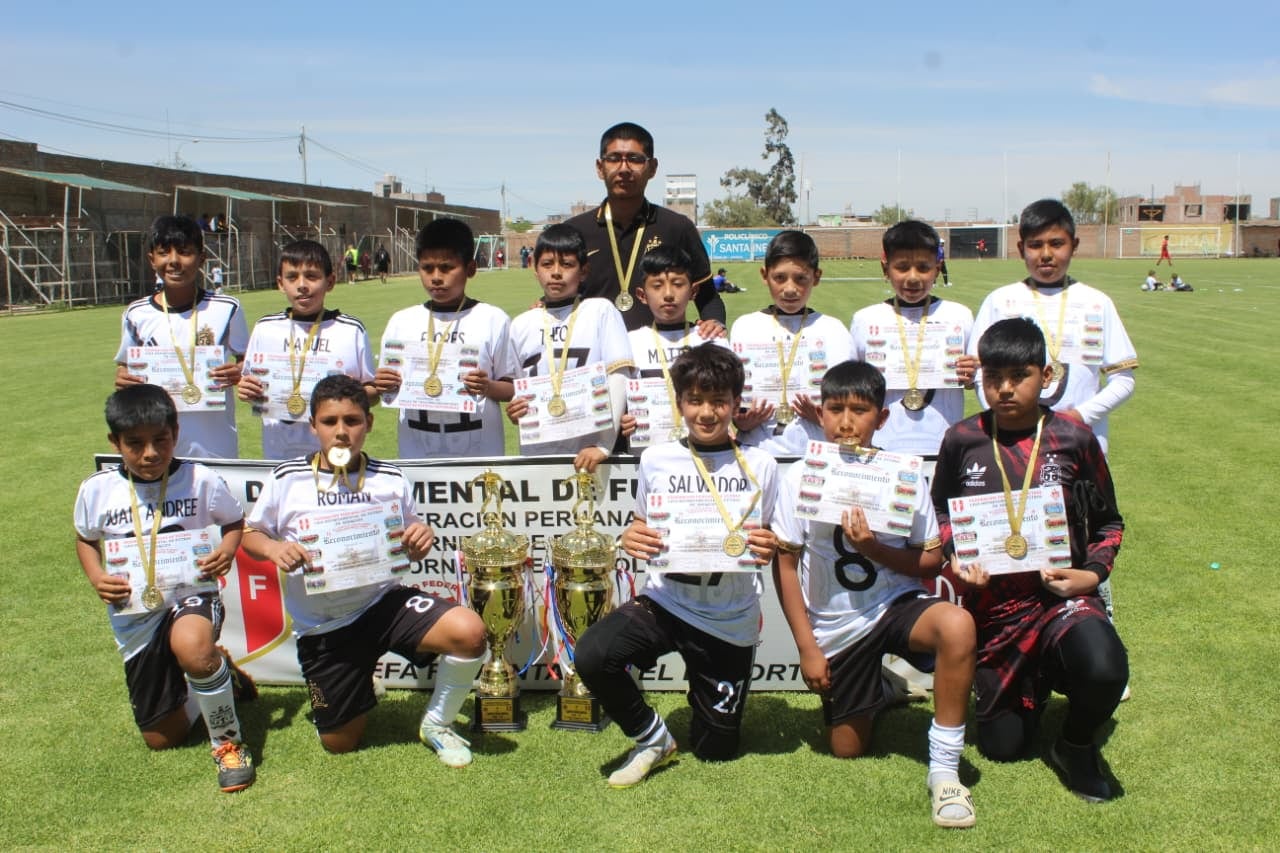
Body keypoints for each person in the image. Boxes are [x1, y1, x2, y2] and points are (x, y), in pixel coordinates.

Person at [772, 361, 977, 828]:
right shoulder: (800, 474)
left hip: (895, 604)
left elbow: (931, 561)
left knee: (957, 625)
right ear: (819, 414)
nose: (846, 421)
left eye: (859, 410)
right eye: (835, 409)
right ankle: (881, 688)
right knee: (847, 749)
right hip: (838, 624)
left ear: (881, 419)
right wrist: (807, 648)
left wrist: (873, 548)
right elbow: (784, 564)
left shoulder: (902, 474)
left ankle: (944, 771)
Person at [931, 318, 1128, 803]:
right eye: (993, 377)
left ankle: (1075, 745)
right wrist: (957, 555)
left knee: (1104, 668)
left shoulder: (1073, 439)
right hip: (995, 611)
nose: (1003, 389)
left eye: (1018, 376)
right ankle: (1030, 683)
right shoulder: (962, 439)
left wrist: (1091, 573)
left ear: (1046, 375)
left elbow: (1109, 523)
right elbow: (941, 510)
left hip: (1060, 599)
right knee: (1003, 748)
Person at [242, 375, 487, 761]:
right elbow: (250, 533)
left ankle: (437, 723)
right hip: (326, 627)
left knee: (470, 633)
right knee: (340, 743)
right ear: (313, 426)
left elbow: (411, 542)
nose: (342, 433)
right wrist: (273, 548)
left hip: (383, 605)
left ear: (369, 423)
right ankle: (359, 679)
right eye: (330, 422)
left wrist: (421, 536)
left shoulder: (390, 478)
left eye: (352, 421)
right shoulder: (287, 478)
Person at [575, 343, 780, 787]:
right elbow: (643, 525)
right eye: (696, 400)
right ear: (679, 402)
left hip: (729, 617)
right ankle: (653, 740)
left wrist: (769, 544)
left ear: (735, 402)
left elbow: (775, 539)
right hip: (667, 601)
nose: (707, 412)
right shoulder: (655, 458)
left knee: (716, 751)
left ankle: (708, 692)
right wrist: (632, 537)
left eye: (719, 401)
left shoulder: (762, 464)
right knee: (593, 654)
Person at [73, 384, 256, 792]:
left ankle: (228, 744)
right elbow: (86, 538)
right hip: (136, 610)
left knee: (192, 646)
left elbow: (233, 521)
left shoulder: (199, 478)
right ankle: (217, 672)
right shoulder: (97, 489)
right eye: (134, 444)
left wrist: (226, 551)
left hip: (192, 593)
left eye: (161, 440)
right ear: (114, 443)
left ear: (176, 433)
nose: (150, 454)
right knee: (162, 738)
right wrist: (96, 575)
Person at [969, 199, 1138, 457]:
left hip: (1080, 442)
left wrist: (1077, 416)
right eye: (1035, 245)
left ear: (1074, 246)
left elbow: (1123, 380)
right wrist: (1007, 419)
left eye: (1056, 244)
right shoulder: (999, 301)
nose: (1046, 254)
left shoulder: (1097, 302)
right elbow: (980, 374)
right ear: (1021, 248)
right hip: (1013, 444)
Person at [376, 218, 518, 458]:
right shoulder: (401, 321)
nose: (436, 277)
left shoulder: (493, 319)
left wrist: (488, 387)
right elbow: (384, 388)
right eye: (427, 268)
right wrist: (382, 384)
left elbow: (513, 388)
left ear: (470, 268)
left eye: (446, 267)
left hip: (479, 453)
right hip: (418, 453)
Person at [564, 122, 725, 331]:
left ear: (652, 168)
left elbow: (708, 297)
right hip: (597, 357)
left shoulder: (677, 227)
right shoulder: (575, 230)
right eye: (613, 159)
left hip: (659, 357)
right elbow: (560, 294)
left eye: (635, 159)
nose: (623, 168)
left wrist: (715, 323)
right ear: (600, 168)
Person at [116, 215, 248, 459]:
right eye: (164, 252)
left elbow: (248, 363)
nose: (174, 261)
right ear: (151, 260)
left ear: (201, 259)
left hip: (214, 443)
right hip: (157, 443)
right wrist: (125, 380)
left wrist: (240, 372)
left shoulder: (227, 308)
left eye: (185, 252)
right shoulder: (136, 314)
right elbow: (125, 370)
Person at [506, 224, 632, 472]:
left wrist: (604, 445)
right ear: (535, 269)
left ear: (584, 271)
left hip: (589, 453)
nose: (555, 273)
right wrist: (515, 408)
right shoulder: (521, 324)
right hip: (537, 455)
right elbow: (520, 387)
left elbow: (619, 375)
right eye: (547, 264)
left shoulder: (600, 311)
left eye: (566, 264)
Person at [238, 240, 377, 460]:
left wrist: (355, 393)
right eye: (292, 277)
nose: (302, 285)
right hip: (279, 452)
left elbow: (373, 391)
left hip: (336, 454)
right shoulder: (265, 328)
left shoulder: (351, 330)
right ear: (280, 283)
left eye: (312, 276)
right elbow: (249, 383)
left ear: (330, 282)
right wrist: (246, 389)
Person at [850, 220, 977, 458]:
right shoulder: (865, 320)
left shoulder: (959, 316)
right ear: (885, 268)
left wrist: (972, 374)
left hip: (943, 444)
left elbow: (975, 381)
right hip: (883, 445)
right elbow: (853, 385)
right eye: (902, 267)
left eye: (923, 267)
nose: (913, 278)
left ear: (938, 269)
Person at [730, 230, 855, 448]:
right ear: (764, 275)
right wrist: (740, 421)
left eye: (800, 278)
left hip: (816, 453)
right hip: (757, 451)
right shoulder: (745, 326)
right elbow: (730, 396)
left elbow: (852, 402)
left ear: (816, 277)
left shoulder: (834, 330)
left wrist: (821, 418)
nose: (790, 289)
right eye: (780, 278)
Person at [623, 246, 732, 449]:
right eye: (657, 286)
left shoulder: (710, 339)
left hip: (704, 452)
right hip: (647, 454)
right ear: (641, 295)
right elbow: (620, 402)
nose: (668, 294)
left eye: (678, 284)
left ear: (693, 291)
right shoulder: (630, 342)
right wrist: (624, 419)